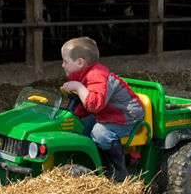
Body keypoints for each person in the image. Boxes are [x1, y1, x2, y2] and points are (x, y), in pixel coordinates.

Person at [60, 37, 145, 181]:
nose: (62, 65)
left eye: (65, 61)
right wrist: (75, 116)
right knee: (79, 126)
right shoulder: (83, 75)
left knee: (100, 133)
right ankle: (89, 163)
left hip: (125, 115)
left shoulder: (97, 75)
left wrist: (78, 87)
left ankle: (118, 171)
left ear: (80, 62)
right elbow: (84, 105)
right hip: (106, 113)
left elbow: (94, 104)